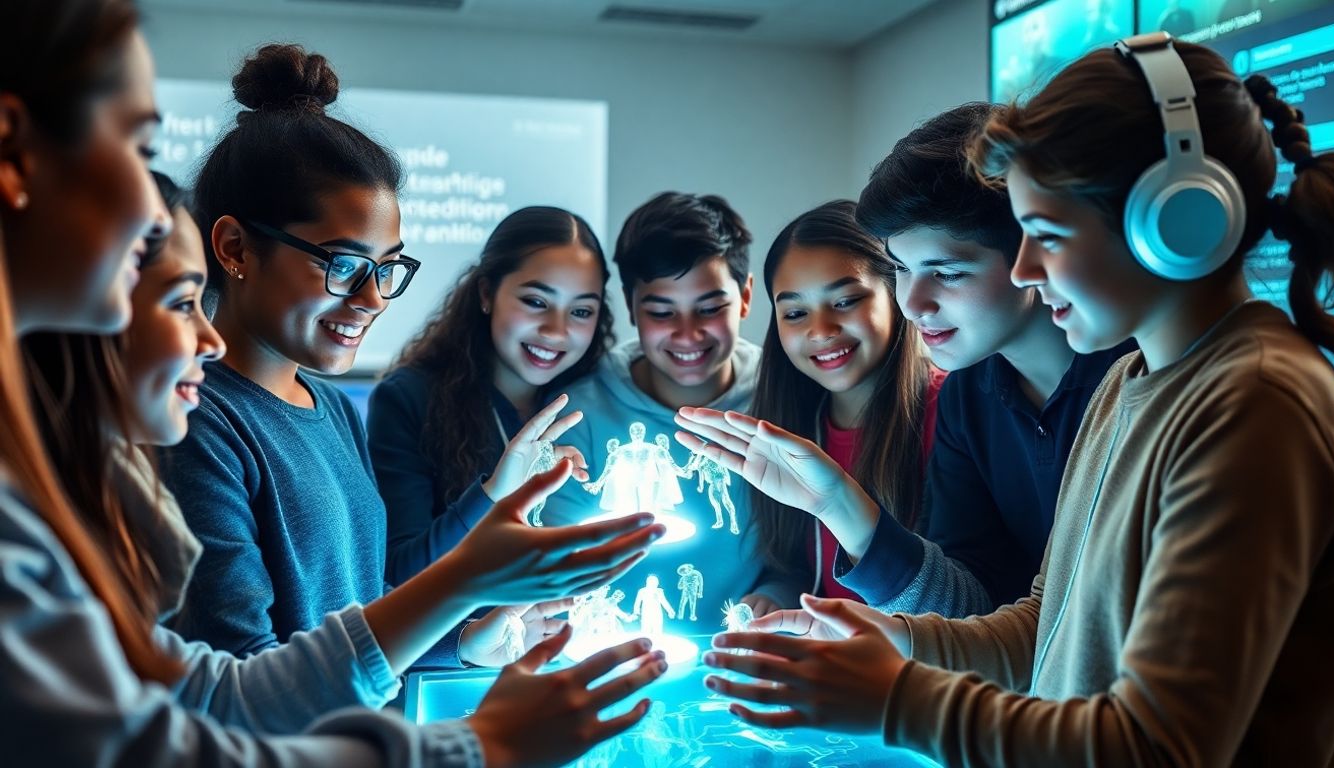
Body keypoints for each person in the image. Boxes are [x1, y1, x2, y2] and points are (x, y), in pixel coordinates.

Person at [0, 4, 665, 765]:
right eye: (346, 266)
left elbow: (318, 659)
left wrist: (476, 627)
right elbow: (228, 717)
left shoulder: (328, 410)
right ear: (236, 249)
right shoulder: (194, 426)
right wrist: (477, 737)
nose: (375, 298)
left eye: (386, 270)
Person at [700, 36, 1334, 766]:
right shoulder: (1131, 381)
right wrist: (898, 640)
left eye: (1045, 235)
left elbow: (1158, 746)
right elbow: (1047, 628)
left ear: (1176, 225)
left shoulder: (1255, 405)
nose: (1024, 268)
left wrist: (897, 699)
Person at [854, 102, 1131, 616]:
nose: (913, 304)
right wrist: (841, 508)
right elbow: (976, 601)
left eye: (949, 273)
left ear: (1035, 251)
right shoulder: (967, 392)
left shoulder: (1140, 380)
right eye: (900, 269)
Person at [677, 200, 944, 608]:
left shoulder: (950, 412)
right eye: (796, 312)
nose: (821, 330)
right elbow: (802, 570)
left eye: (844, 301)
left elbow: (971, 598)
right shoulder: (792, 424)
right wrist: (778, 594)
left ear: (894, 293)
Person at [543, 192, 792, 619]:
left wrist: (780, 593)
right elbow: (550, 560)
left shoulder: (781, 401)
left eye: (710, 309)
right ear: (631, 308)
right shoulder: (577, 413)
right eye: (662, 312)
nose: (688, 334)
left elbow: (804, 552)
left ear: (746, 297)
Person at [370, 206, 613, 583]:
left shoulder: (598, 397)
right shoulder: (409, 399)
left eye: (581, 311)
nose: (555, 331)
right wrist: (494, 493)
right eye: (536, 302)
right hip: (464, 640)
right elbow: (400, 574)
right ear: (487, 293)